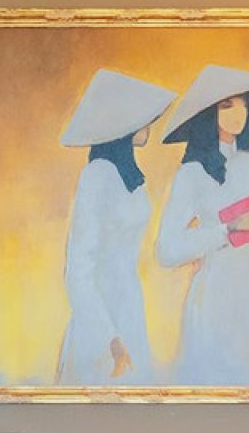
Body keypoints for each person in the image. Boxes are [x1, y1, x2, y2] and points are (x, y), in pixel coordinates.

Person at [154, 65, 249, 385]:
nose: (238, 113)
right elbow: (167, 251)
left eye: (242, 104)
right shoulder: (192, 174)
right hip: (214, 303)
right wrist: (228, 230)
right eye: (226, 105)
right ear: (207, 114)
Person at [54, 69, 176, 385]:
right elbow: (78, 271)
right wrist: (108, 337)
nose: (149, 123)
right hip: (100, 320)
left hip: (130, 306)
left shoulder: (130, 177)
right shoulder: (97, 175)